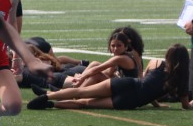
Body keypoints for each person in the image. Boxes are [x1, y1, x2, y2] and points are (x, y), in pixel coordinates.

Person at [28, 44, 190, 111]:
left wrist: (156, 104)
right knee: (85, 103)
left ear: (168, 56)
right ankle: (51, 103)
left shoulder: (156, 63)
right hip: (132, 100)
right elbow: (185, 105)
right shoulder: (180, 78)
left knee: (82, 92)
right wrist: (157, 104)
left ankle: (47, 96)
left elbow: (145, 81)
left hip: (128, 83)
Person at [62, 27, 143, 88]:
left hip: (126, 86)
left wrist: (82, 78)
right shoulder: (121, 54)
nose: (115, 48)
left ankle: (77, 91)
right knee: (95, 64)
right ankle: (78, 87)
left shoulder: (127, 56)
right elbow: (109, 71)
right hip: (122, 80)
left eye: (119, 44)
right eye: (113, 45)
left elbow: (140, 74)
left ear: (128, 42)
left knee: (96, 74)